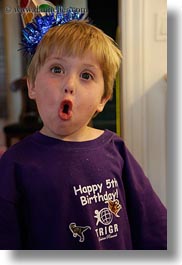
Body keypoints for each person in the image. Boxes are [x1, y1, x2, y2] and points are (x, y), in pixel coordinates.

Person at [0, 15, 167, 250]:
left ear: (103, 99)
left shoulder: (116, 151)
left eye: (86, 75)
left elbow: (155, 228)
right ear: (32, 85)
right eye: (57, 69)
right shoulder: (14, 164)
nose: (69, 84)